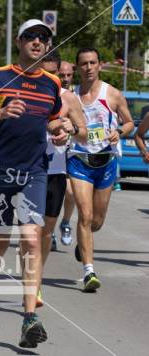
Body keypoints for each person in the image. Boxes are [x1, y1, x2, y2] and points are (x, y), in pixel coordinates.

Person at [0, 19, 66, 348]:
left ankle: (29, 319)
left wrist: (60, 131)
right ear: (19, 41)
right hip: (0, 171)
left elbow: (53, 121)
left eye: (43, 37)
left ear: (48, 46)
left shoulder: (52, 84)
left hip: (35, 171)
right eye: (31, 36)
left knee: (32, 239)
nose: (38, 41)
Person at [68, 47, 134, 292]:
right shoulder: (70, 96)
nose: (88, 67)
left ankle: (84, 242)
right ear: (78, 67)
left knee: (97, 220)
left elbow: (128, 122)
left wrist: (119, 132)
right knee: (84, 216)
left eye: (92, 63)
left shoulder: (112, 94)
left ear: (99, 65)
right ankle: (89, 272)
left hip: (105, 162)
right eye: (83, 63)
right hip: (79, 160)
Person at [34, 50, 86, 305]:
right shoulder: (26, 93)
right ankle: (31, 279)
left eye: (55, 73)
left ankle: (36, 280)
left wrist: (71, 128)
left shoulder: (68, 99)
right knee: (29, 232)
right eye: (46, 73)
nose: (52, 78)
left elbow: (85, 133)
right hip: (27, 170)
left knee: (44, 233)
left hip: (54, 172)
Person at [58, 60, 77, 245]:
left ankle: (65, 222)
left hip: (70, 151)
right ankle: (50, 229)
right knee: (50, 195)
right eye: (61, 75)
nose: (65, 79)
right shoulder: (50, 92)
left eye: (68, 75)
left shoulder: (76, 95)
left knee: (70, 193)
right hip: (50, 150)